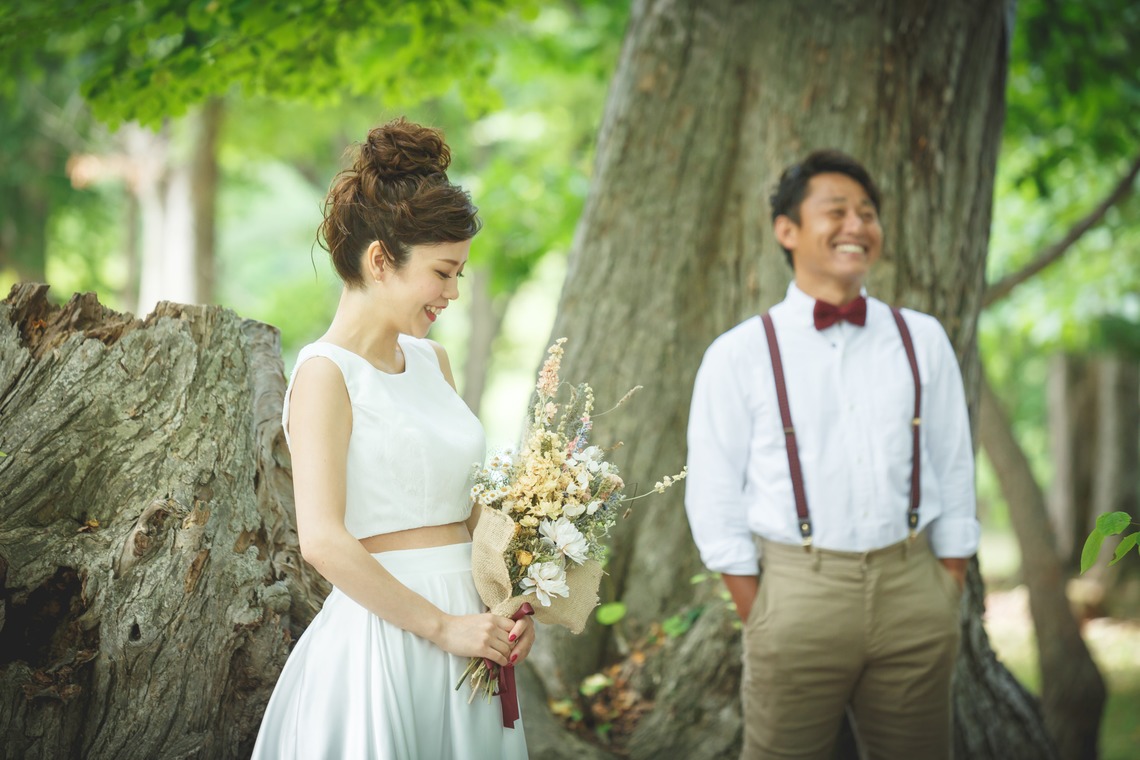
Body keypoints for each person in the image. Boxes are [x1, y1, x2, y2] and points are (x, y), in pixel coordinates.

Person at [684, 149, 979, 760]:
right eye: (837, 210)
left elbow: (952, 464)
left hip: (912, 589)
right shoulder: (740, 353)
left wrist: (947, 581)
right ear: (787, 230)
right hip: (798, 592)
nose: (857, 225)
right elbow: (713, 494)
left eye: (867, 213)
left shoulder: (921, 337)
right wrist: (760, 610)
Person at [252, 117, 532, 759]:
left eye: (459, 274)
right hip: (390, 635)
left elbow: (468, 509)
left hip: (472, 628)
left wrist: (508, 610)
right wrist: (443, 627)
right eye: (442, 272)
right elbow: (322, 540)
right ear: (381, 260)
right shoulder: (326, 374)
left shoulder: (434, 364)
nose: (453, 293)